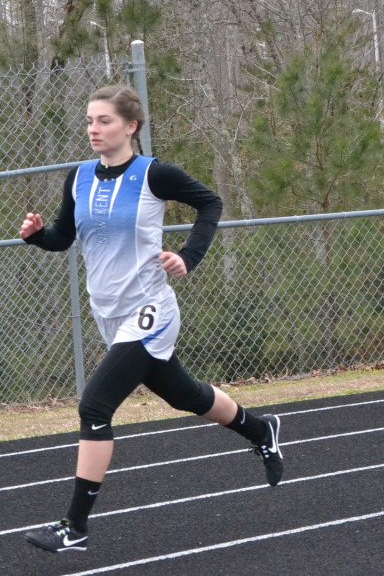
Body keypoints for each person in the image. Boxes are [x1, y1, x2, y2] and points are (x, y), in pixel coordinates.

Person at [20, 85, 284, 553]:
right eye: (89, 121)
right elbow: (63, 237)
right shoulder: (79, 177)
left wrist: (188, 256)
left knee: (94, 406)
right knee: (184, 395)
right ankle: (260, 429)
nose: (93, 129)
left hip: (150, 309)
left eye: (104, 121)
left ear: (131, 126)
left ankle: (74, 526)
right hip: (109, 312)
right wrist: (37, 235)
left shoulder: (154, 174)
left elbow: (210, 203)